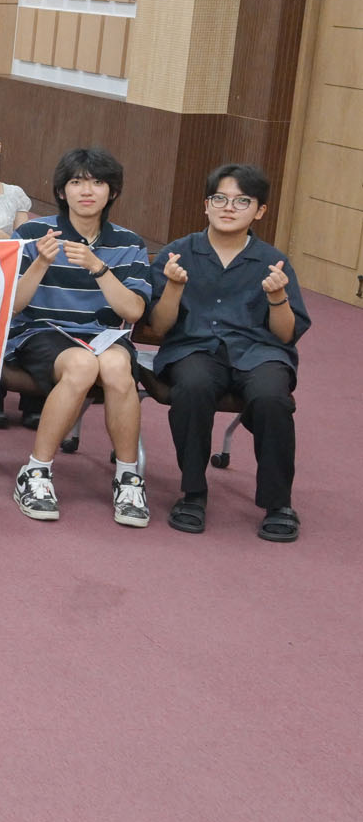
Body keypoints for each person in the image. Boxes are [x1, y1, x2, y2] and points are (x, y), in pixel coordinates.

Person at [148, 164, 309, 542]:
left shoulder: (273, 261)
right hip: (194, 348)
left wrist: (277, 297)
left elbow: (286, 334)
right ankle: (193, 494)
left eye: (242, 201)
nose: (228, 207)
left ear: (260, 211)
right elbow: (159, 326)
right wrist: (173, 288)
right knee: (193, 387)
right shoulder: (177, 253)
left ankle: (278, 503)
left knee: (272, 397)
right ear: (206, 204)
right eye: (220, 198)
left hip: (259, 352)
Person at [7, 148, 155, 528]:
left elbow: (133, 311)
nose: (86, 191)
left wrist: (98, 268)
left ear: (112, 192)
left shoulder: (129, 243)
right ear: (61, 191)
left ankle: (128, 477)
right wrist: (41, 262)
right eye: (76, 182)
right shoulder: (32, 234)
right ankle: (35, 471)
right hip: (41, 332)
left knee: (118, 366)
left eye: (97, 183)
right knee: (82, 365)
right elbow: (13, 306)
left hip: (103, 336)